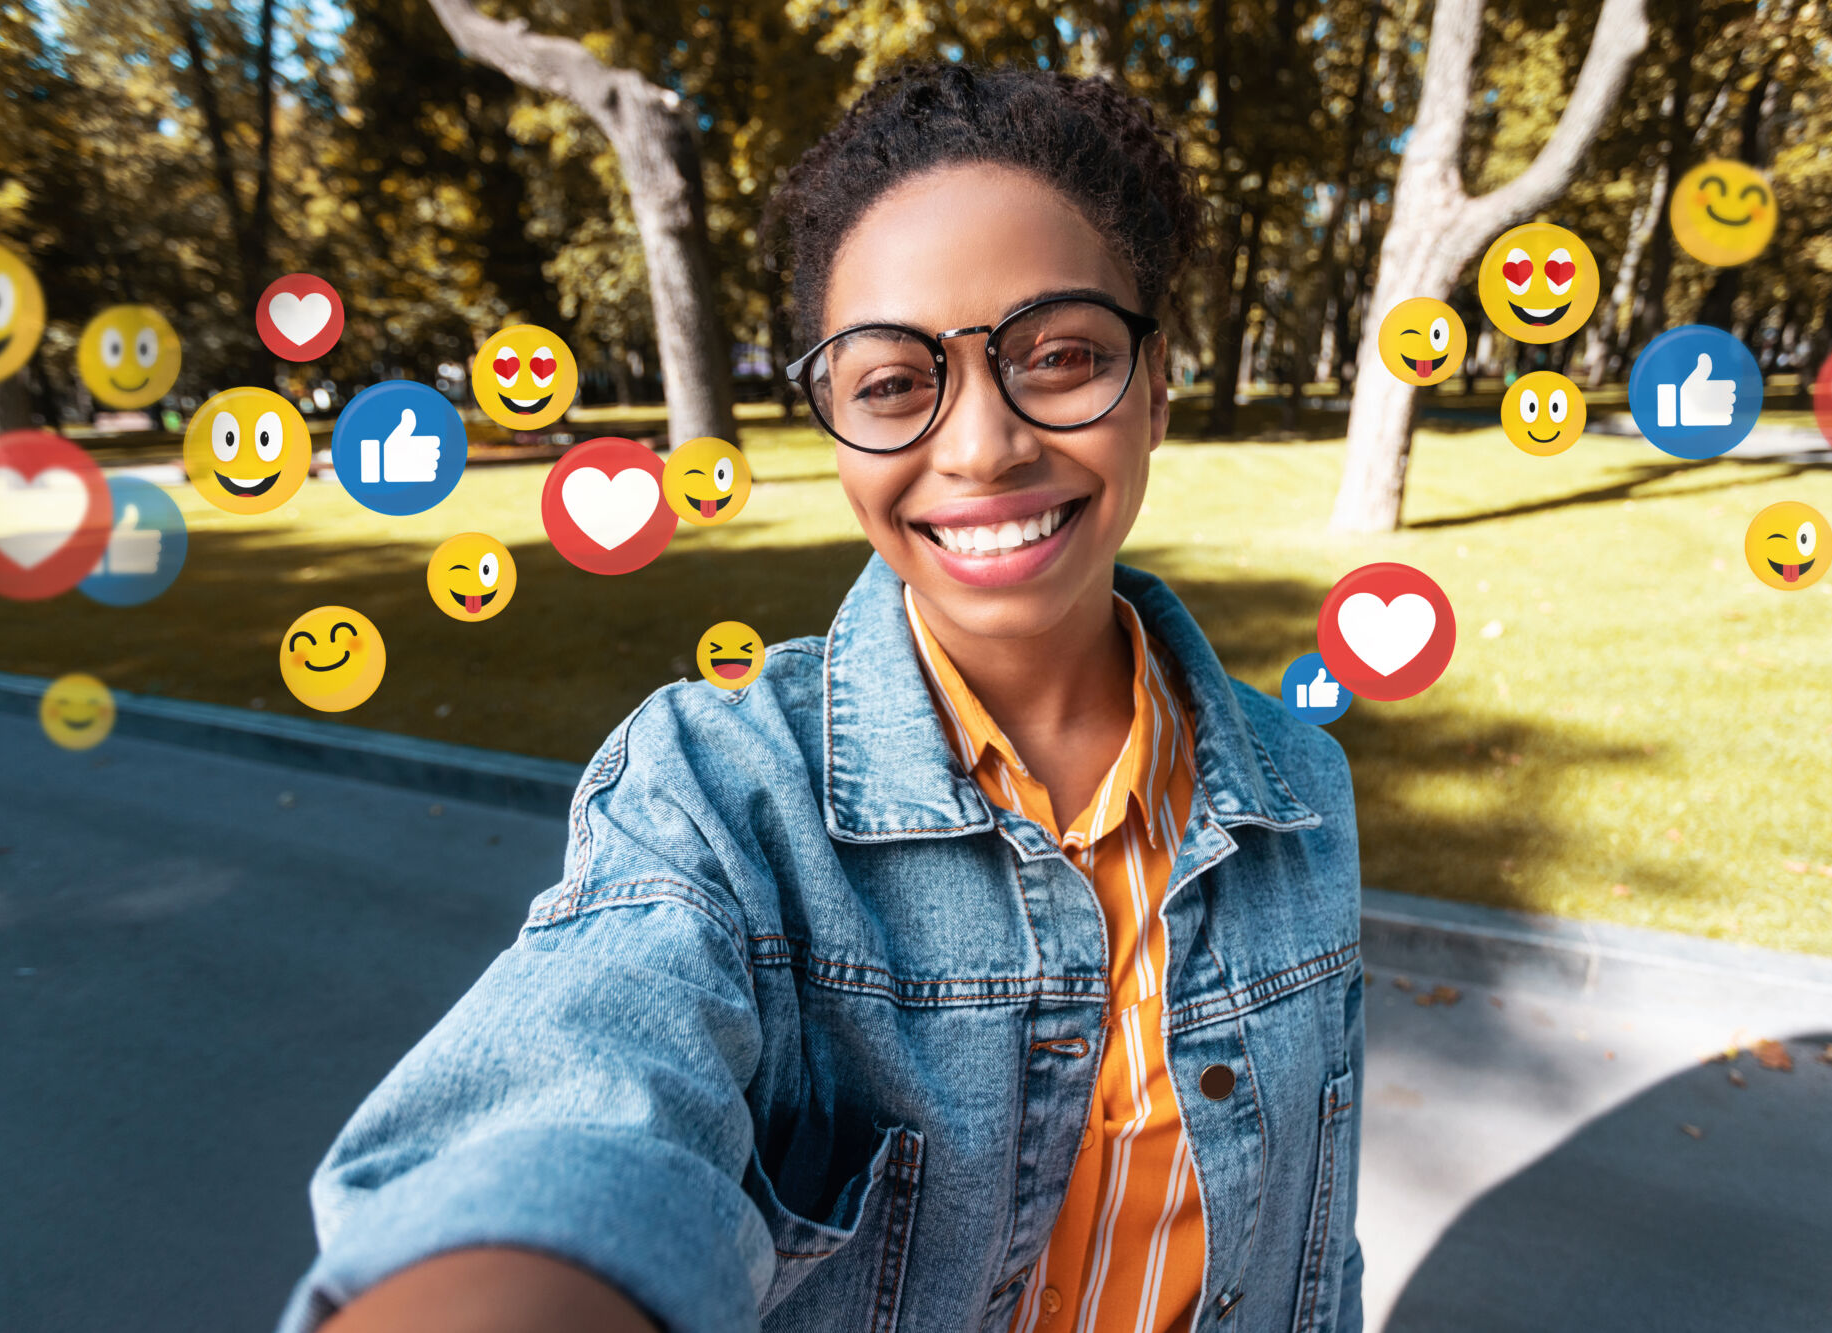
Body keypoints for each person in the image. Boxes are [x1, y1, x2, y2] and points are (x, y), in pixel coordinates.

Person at [278, 60, 1362, 1333]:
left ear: (1155, 380)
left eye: (1059, 355)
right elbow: (578, 1100)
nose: (981, 444)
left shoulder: (1301, 789)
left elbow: (1310, 1244)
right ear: (836, 426)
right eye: (894, 383)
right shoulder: (714, 788)